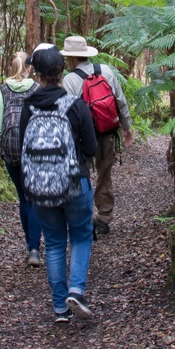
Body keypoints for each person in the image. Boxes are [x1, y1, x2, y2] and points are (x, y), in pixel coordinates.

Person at [20, 46, 98, 322]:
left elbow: (22, 150)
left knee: (53, 243)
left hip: (40, 189)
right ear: (61, 72)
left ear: (37, 75)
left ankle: (59, 308)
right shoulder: (75, 105)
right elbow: (91, 148)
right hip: (75, 184)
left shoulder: (28, 107)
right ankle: (76, 290)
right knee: (80, 235)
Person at [59, 35, 133, 237]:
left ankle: (85, 216)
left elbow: (67, 112)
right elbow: (120, 101)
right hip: (106, 131)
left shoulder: (70, 80)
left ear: (72, 58)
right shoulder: (106, 71)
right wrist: (126, 127)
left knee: (82, 174)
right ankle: (104, 216)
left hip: (81, 138)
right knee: (104, 173)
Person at [0, 51, 42, 267]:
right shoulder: (37, 89)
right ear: (28, 68)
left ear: (11, 68)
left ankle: (28, 244)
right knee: (34, 200)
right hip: (33, 153)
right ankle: (34, 249)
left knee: (23, 198)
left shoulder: (1, 91)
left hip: (12, 154)